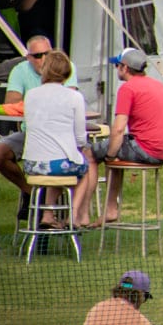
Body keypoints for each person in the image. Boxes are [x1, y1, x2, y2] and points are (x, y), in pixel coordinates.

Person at [0, 34, 79, 218]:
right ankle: (36, 196)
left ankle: (48, 207)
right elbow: (11, 104)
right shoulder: (21, 71)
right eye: (38, 56)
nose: (44, 59)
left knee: (54, 155)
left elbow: (61, 103)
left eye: (47, 54)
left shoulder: (35, 93)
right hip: (33, 135)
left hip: (49, 142)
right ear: (28, 57)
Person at [90, 47, 163, 222]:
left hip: (148, 148)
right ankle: (110, 208)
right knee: (114, 152)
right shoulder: (157, 84)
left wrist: (109, 156)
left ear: (124, 67)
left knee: (90, 154)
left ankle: (83, 214)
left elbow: (118, 129)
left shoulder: (128, 89)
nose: (116, 69)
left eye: (117, 65)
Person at [22, 49, 97, 228]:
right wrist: (82, 147)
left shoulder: (31, 95)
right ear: (67, 72)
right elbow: (80, 138)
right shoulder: (74, 97)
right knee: (84, 168)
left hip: (32, 164)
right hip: (59, 163)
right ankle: (74, 215)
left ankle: (48, 214)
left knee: (58, 165)